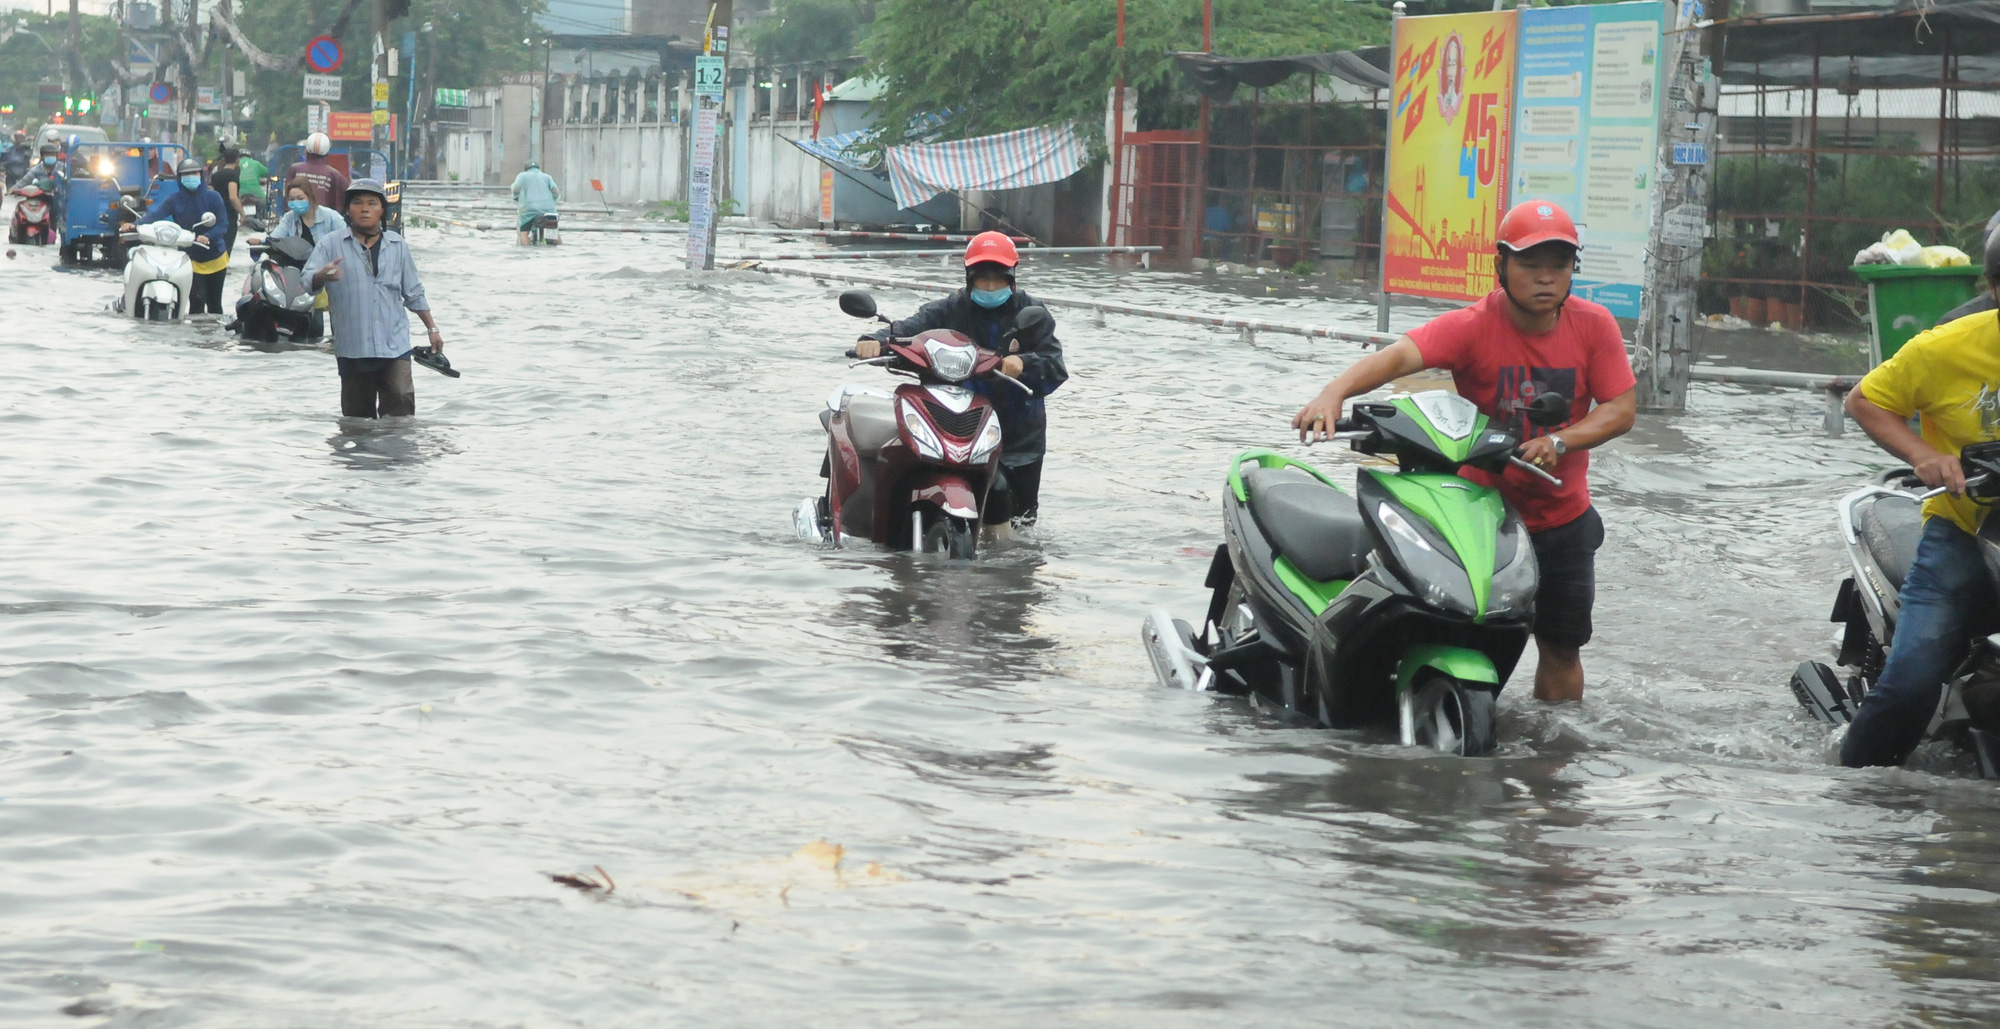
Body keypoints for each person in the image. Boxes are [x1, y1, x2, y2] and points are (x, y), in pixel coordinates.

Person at [1292, 200, 1638, 703]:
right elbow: (1400, 356)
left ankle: (1552, 760)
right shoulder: (1473, 325)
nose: (1546, 277)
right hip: (1481, 516)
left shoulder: (1594, 325)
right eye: (1531, 264)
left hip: (1562, 518)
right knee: (1459, 632)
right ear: (1500, 266)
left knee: (1562, 647)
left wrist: (1559, 441)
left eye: (1559, 265)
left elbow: (1620, 409)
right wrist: (1333, 393)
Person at [1838, 230, 2000, 768]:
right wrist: (1923, 455)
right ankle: (1853, 797)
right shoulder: (1946, 345)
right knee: (1910, 683)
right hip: (1964, 533)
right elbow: (1864, 401)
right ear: (1995, 291)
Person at [853, 231, 1068, 526]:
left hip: (1016, 439)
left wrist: (1024, 362)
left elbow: (1054, 365)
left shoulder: (1033, 314)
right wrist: (875, 340)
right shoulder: (947, 310)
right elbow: (906, 331)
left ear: (1012, 278)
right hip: (950, 427)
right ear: (969, 278)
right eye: (983, 279)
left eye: (998, 279)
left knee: (1021, 528)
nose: (990, 286)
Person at [303, 179, 446, 418]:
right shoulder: (331, 244)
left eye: (372, 203)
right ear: (348, 210)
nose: (365, 208)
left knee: (401, 403)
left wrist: (432, 328)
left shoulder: (398, 245)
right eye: (357, 203)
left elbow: (413, 292)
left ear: (382, 210)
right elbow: (306, 282)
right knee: (358, 421)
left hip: (394, 345)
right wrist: (321, 275)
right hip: (353, 347)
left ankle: (394, 455)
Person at [132, 158, 231, 314]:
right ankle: (193, 337)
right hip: (190, 259)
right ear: (179, 178)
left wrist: (208, 236)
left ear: (201, 175)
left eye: (194, 173)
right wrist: (136, 224)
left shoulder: (214, 197)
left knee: (214, 304)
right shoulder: (175, 199)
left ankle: (214, 337)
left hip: (215, 258)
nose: (190, 177)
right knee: (196, 302)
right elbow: (156, 215)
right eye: (186, 174)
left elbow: (222, 224)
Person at [286, 132, 348, 211]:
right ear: (327, 153)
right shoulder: (333, 174)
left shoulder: (294, 169)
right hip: (326, 220)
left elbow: (286, 196)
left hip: (295, 217)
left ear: (306, 150)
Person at [510, 160, 561, 244]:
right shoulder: (547, 177)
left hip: (529, 210)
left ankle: (526, 249)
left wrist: (516, 197)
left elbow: (516, 189)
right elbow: (555, 191)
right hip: (549, 210)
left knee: (524, 232)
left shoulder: (522, 176)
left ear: (526, 169)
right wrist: (553, 200)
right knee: (554, 232)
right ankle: (561, 248)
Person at [208, 143, 243, 258]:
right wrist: (242, 213)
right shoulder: (233, 175)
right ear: (237, 160)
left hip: (216, 214)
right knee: (227, 245)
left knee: (216, 243)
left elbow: (211, 193)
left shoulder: (216, 175)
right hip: (229, 214)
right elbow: (233, 197)